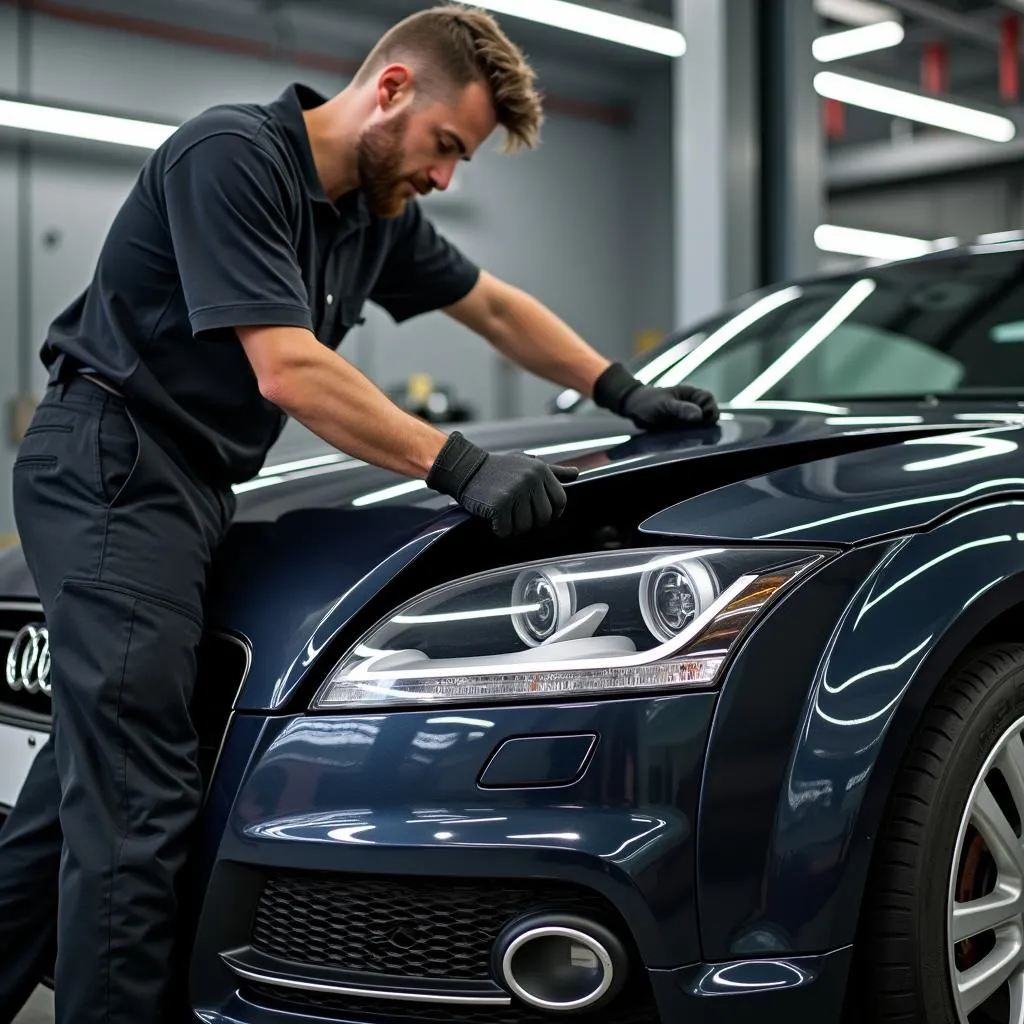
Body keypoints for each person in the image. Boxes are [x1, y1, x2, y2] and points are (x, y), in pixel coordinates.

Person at [0, 4, 718, 1023]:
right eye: (445, 146)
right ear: (389, 91)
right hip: (112, 464)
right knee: (139, 797)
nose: (444, 177)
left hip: (191, 486)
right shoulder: (232, 158)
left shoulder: (370, 218)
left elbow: (495, 305)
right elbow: (287, 368)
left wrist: (622, 389)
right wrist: (457, 463)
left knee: (85, 776)